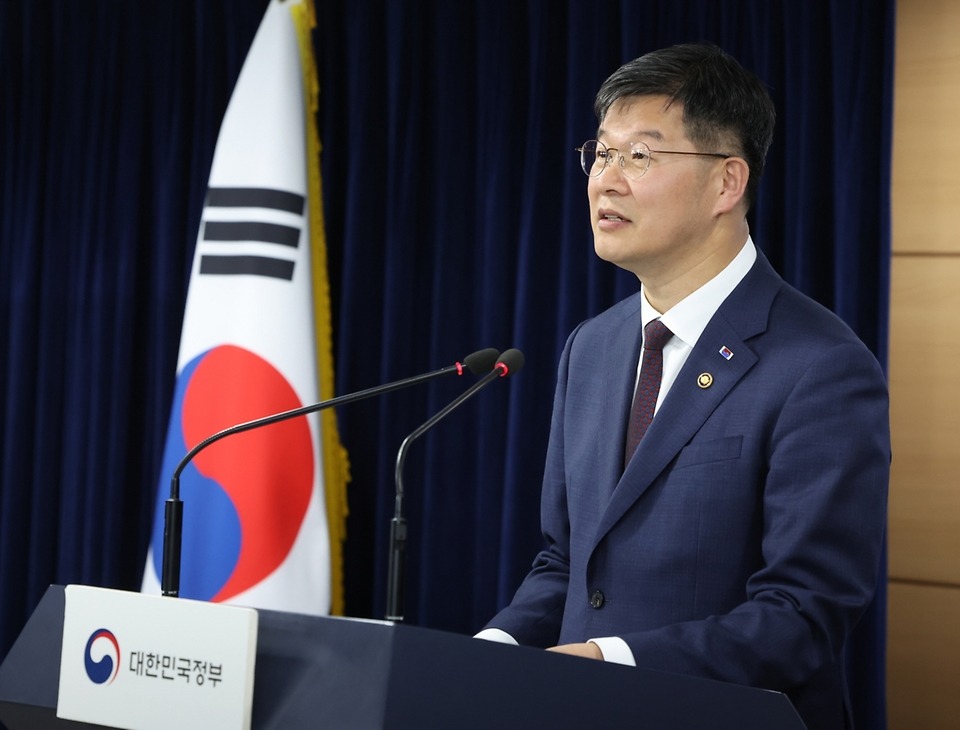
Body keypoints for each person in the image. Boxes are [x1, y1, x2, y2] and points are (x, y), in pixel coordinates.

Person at [477, 43, 889, 730]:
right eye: (601, 153)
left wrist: (613, 660)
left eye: (639, 155)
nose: (605, 181)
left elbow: (803, 614)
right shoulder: (592, 346)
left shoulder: (821, 366)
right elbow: (567, 562)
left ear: (727, 182)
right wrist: (494, 648)